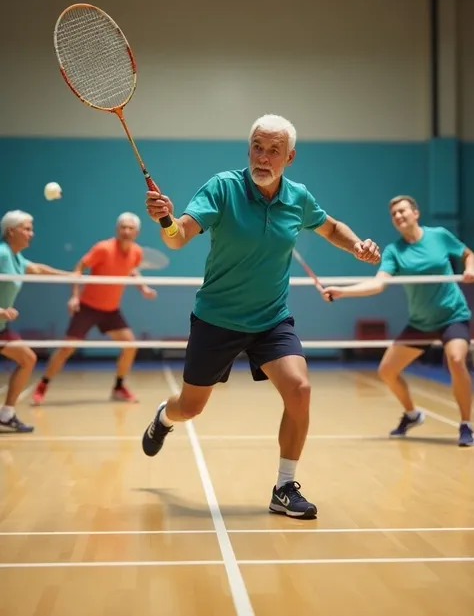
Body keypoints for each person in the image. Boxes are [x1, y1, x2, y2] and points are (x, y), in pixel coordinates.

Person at [141, 114, 380, 520]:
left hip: (271, 319)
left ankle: (284, 487)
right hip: (216, 319)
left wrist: (357, 246)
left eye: (273, 150)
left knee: (300, 390)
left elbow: (331, 226)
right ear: (248, 148)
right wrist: (164, 218)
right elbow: (178, 237)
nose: (263, 157)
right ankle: (164, 417)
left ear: (290, 156)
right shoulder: (223, 188)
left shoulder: (298, 198)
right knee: (191, 407)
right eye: (257, 147)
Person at [322, 195, 474, 448]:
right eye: (394, 214)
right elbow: (378, 284)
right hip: (420, 322)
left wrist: (470, 267)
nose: (398, 216)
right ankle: (412, 415)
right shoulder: (394, 251)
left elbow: (468, 253)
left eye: (403, 211)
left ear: (416, 213)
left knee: (456, 360)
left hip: (452, 315)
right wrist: (343, 291)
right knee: (386, 371)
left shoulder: (439, 236)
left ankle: (466, 425)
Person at [32, 213, 157, 405]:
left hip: (111, 310)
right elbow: (79, 268)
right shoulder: (103, 248)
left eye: (130, 228)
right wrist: (74, 297)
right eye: (123, 227)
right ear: (117, 229)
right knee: (66, 348)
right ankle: (43, 385)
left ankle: (118, 387)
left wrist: (143, 288)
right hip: (88, 307)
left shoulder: (136, 252)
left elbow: (132, 269)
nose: (126, 231)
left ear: (136, 232)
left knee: (130, 346)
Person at [0, 210, 70, 432]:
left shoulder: (15, 257)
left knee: (27, 359)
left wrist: (72, 277)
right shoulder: (1, 254)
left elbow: (38, 269)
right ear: (11, 231)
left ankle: (6, 414)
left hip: (1, 328)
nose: (31, 233)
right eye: (27, 229)